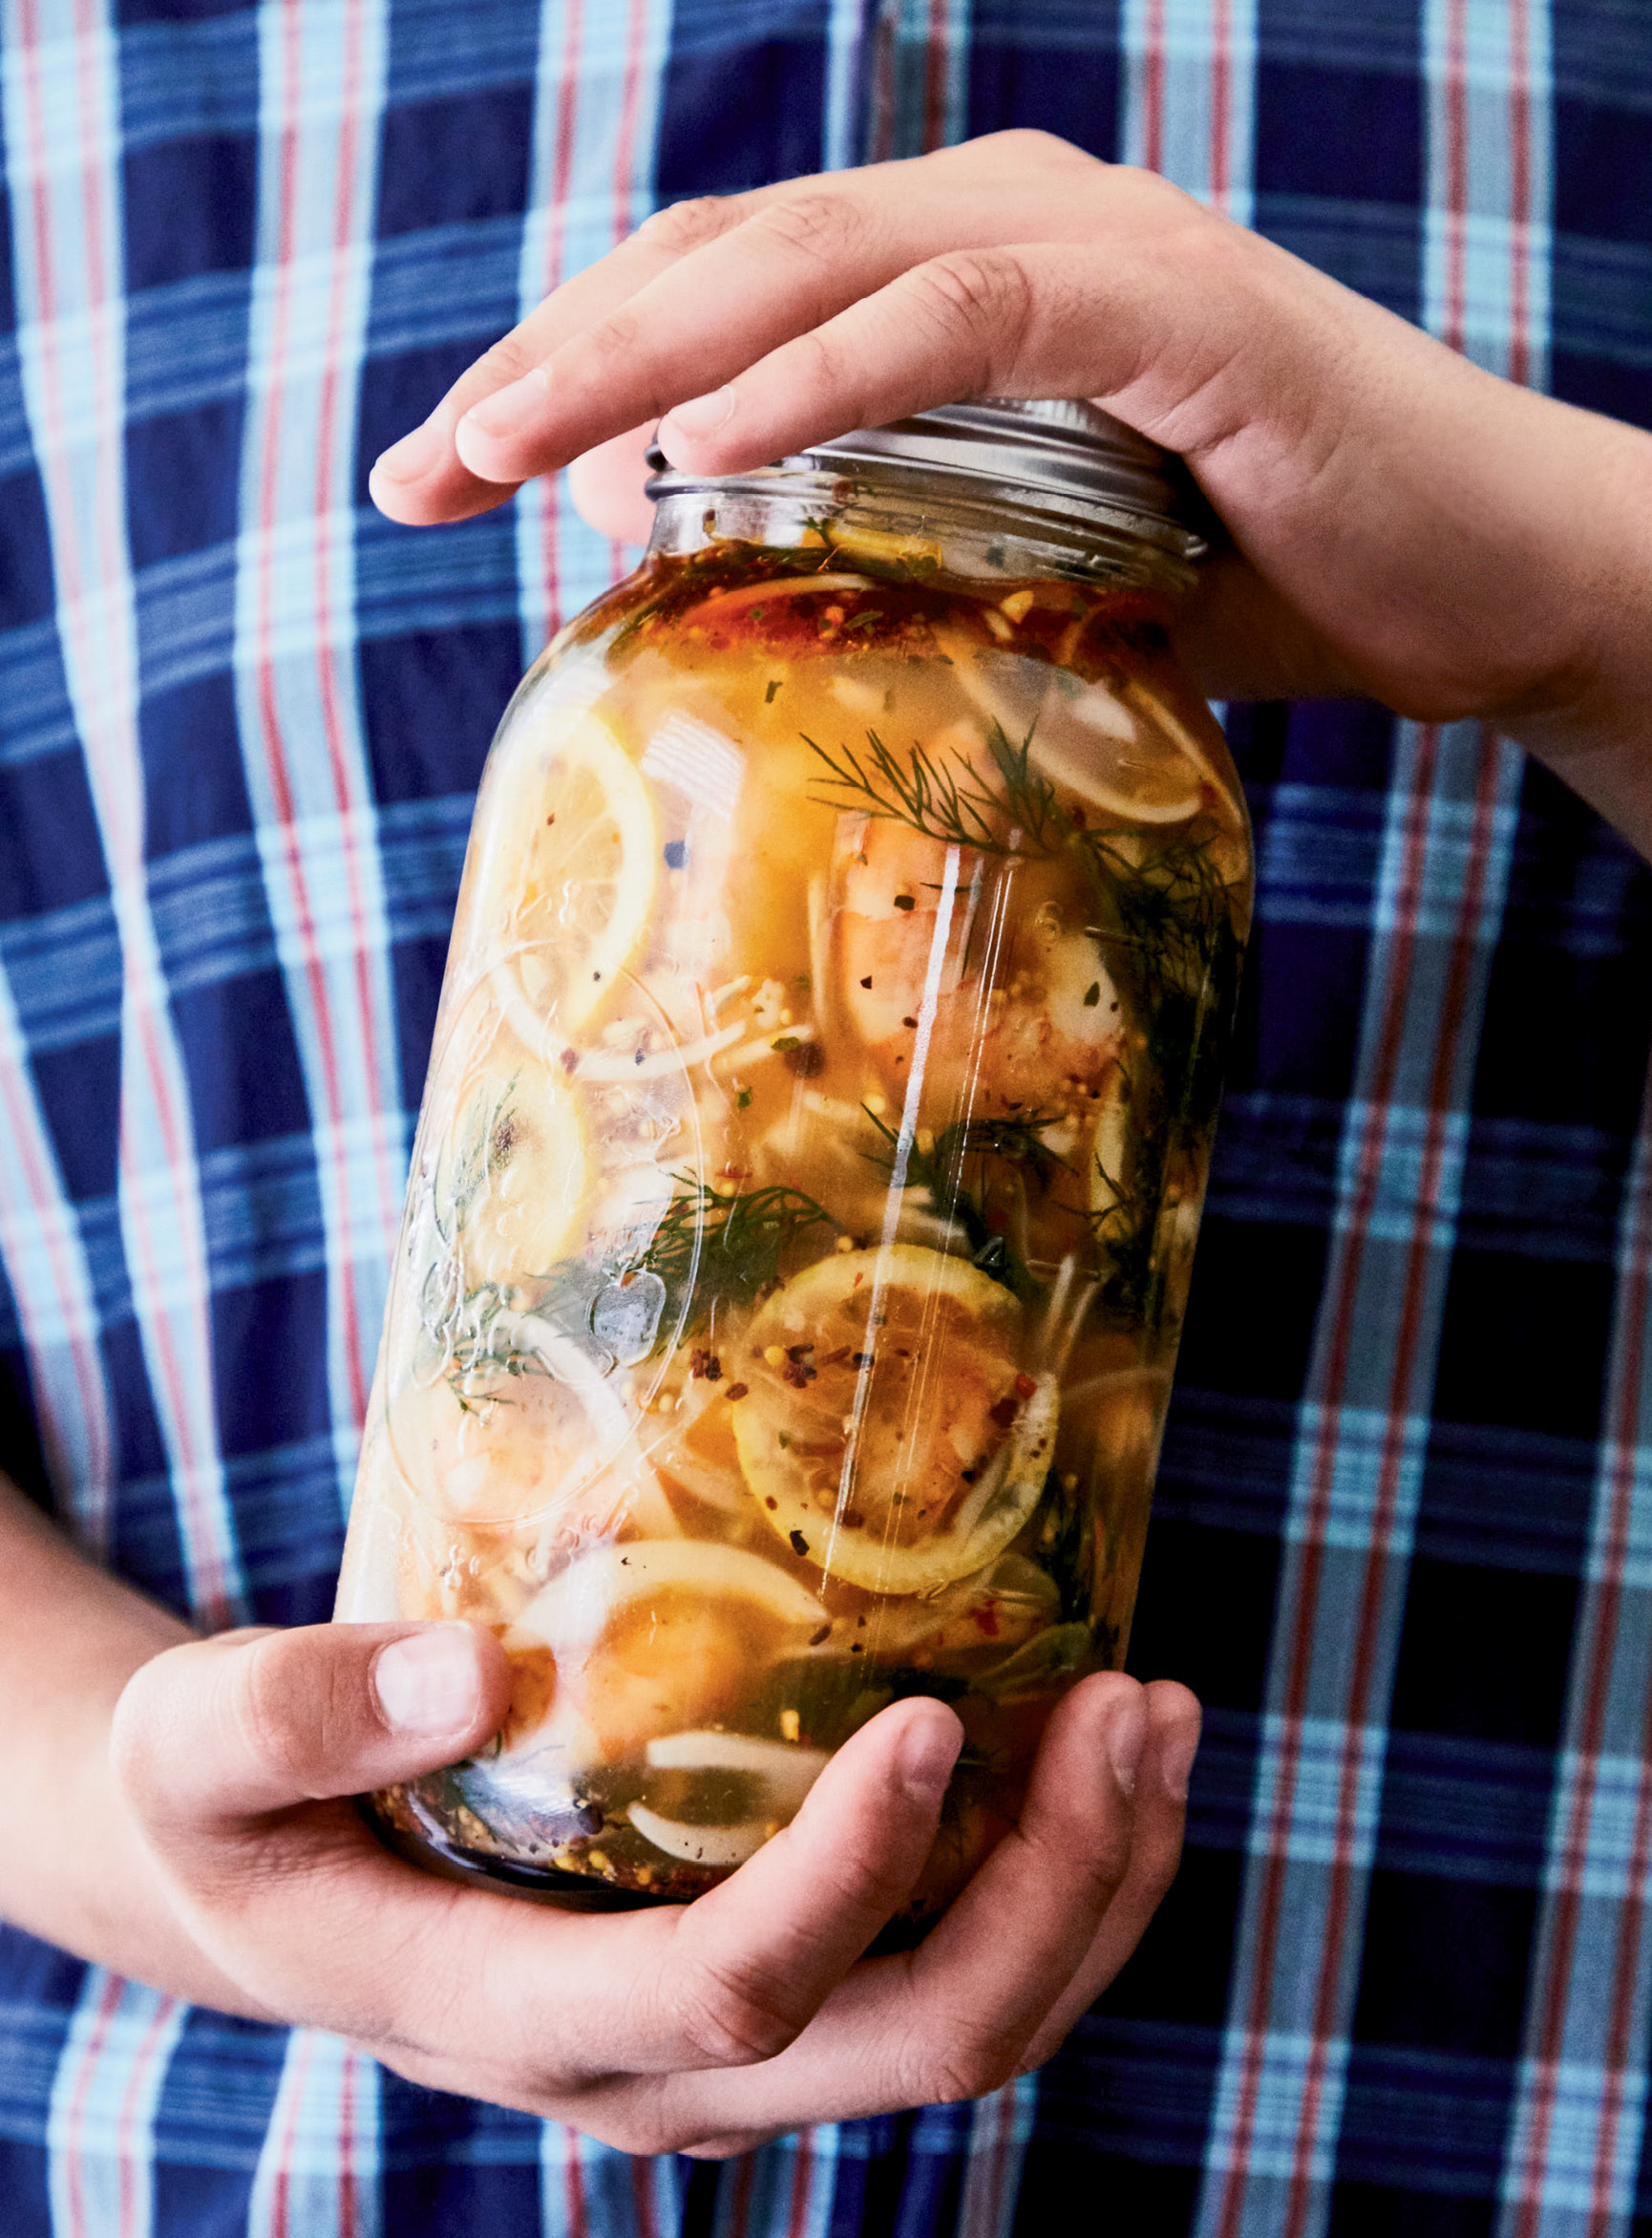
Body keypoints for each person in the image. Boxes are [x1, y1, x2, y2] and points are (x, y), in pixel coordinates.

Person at [2, 10, 1649, 2236]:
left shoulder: (1130, 744)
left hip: (1422, 2095)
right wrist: (154, 1837)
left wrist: (1587, 609)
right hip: (227, 2153)